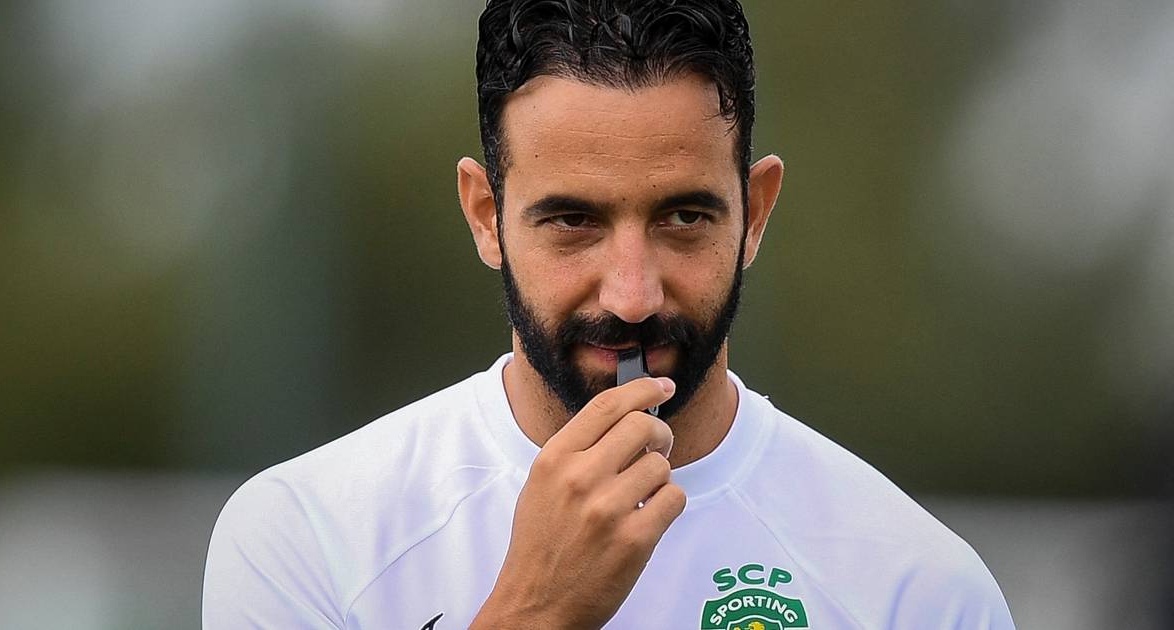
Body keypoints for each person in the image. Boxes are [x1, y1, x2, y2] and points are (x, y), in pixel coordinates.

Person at [203, 1, 1015, 628]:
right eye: (573, 221)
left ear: (756, 213)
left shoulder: (917, 589)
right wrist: (535, 610)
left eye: (684, 217)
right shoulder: (307, 536)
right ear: (486, 215)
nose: (632, 294)